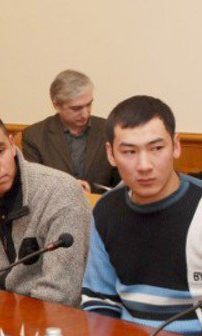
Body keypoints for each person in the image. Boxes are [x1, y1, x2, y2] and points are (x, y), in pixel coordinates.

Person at [81, 95, 202, 334]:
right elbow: (99, 300)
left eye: (156, 148)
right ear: (111, 154)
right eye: (129, 152)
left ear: (176, 146)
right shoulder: (107, 209)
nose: (144, 165)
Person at [0, 111, 90, 306]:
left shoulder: (60, 192)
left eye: (0, 151)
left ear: (12, 144)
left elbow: (62, 294)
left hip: (56, 319)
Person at [22, 70, 118, 193]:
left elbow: (121, 182)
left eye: (89, 104)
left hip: (101, 207)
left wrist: (90, 189)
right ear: (56, 105)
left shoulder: (108, 130)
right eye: (76, 108)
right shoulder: (35, 136)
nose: (85, 113)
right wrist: (66, 188)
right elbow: (33, 186)